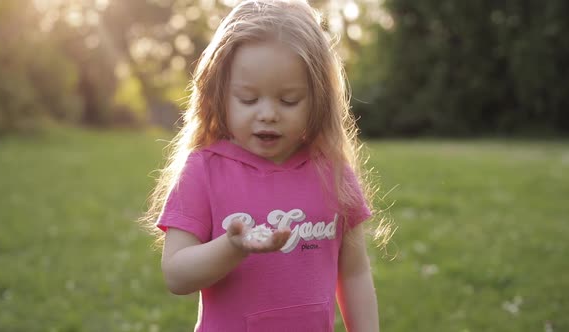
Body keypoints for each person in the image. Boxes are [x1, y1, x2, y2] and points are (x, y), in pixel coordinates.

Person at [141, 0, 391, 330]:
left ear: (317, 98)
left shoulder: (332, 172)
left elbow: (354, 272)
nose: (268, 113)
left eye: (288, 100)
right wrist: (232, 247)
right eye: (248, 98)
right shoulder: (204, 170)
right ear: (219, 94)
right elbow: (176, 274)